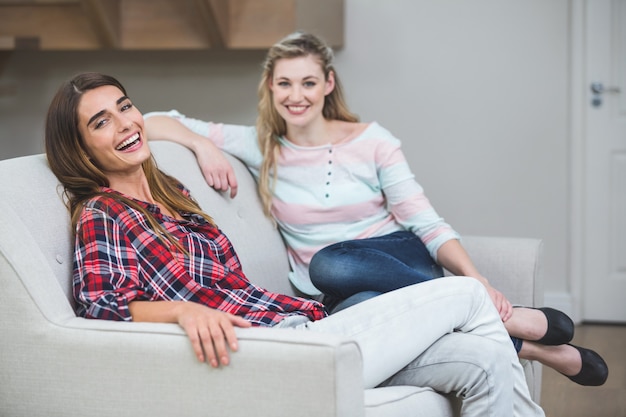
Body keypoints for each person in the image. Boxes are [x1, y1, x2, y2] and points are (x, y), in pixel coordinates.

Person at [44, 72, 548, 417]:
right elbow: (99, 308)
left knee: (485, 360)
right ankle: (516, 322)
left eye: (124, 107)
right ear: (80, 146)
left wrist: (198, 145)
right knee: (464, 294)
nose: (126, 123)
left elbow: (232, 285)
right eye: (100, 121)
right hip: (276, 351)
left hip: (303, 324)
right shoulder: (101, 212)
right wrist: (180, 313)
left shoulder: (174, 193)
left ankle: (510, 335)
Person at [144, 32, 609, 387]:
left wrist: (479, 280)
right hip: (336, 291)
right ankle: (532, 346)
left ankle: (479, 303)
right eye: (284, 83)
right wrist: (199, 144)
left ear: (328, 83)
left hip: (394, 257)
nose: (296, 95)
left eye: (308, 81)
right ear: (270, 85)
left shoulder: (373, 141)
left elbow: (425, 221)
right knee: (357, 314)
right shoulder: (259, 145)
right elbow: (152, 120)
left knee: (332, 261)